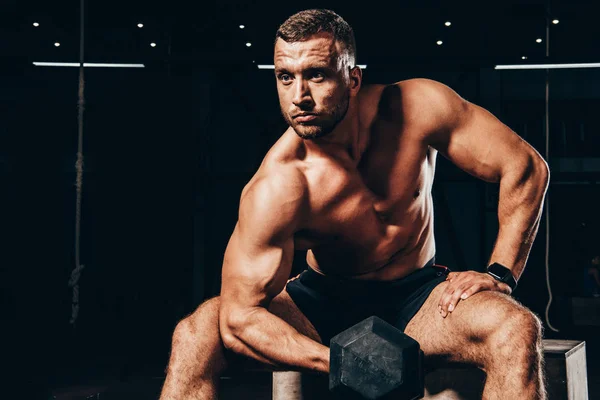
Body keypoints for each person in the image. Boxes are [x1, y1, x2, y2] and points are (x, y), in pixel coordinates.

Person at [159, 9, 550, 400]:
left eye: (316, 74)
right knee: (197, 332)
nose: (299, 97)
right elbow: (240, 318)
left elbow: (525, 167)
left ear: (352, 78)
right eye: (285, 77)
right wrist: (338, 361)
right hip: (321, 305)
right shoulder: (279, 185)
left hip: (420, 298)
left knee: (516, 327)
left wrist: (501, 273)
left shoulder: (417, 108)